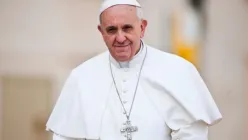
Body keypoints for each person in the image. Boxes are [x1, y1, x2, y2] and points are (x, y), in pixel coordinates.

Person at [46, 0, 222, 140]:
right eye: (112, 30)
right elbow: (65, 136)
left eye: (127, 28)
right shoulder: (81, 77)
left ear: (142, 27)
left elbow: (193, 134)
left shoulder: (178, 70)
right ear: (101, 32)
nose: (120, 37)